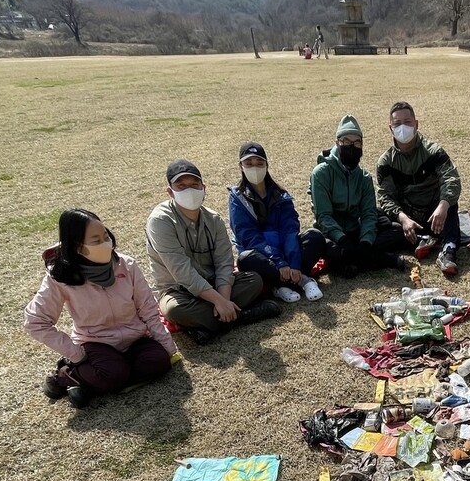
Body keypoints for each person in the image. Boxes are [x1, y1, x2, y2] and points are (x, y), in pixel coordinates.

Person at [25, 208, 176, 407]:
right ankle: (66, 374)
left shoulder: (127, 265)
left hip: (135, 338)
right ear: (77, 246)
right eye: (96, 241)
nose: (106, 244)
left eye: (105, 236)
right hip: (96, 342)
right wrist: (76, 354)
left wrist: (167, 346)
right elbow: (35, 321)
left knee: (159, 362)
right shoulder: (60, 277)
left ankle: (91, 381)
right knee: (114, 375)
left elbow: (147, 307)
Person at [145, 158, 279, 346]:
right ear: (170, 192)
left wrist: (223, 300)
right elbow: (181, 271)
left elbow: (224, 263)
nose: (189, 190)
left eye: (194, 184)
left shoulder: (213, 219)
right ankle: (243, 315)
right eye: (181, 186)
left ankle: (209, 324)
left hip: (213, 284)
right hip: (178, 290)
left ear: (203, 188)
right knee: (173, 310)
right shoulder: (160, 221)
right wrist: (219, 301)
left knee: (254, 280)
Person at [309, 116, 408, 276]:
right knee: (327, 248)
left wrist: (366, 241)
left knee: (396, 231)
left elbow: (368, 214)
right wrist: (341, 239)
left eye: (357, 143)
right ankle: (379, 260)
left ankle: (351, 263)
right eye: (346, 141)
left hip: (355, 230)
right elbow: (323, 216)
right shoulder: (321, 173)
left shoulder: (364, 177)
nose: (352, 146)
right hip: (333, 235)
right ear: (337, 142)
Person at [228, 141, 324, 303]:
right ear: (240, 166)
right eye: (248, 163)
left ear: (267, 165)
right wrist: (278, 262)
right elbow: (248, 236)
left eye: (260, 163)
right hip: (263, 255)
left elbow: (289, 229)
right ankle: (298, 281)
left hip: (285, 250)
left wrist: (292, 263)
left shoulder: (280, 195)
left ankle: (288, 279)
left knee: (315, 237)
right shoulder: (237, 199)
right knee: (245, 259)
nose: (255, 168)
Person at [376, 101, 463, 277]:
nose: (403, 127)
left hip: (435, 214)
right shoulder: (385, 162)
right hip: (409, 216)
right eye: (397, 124)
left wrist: (443, 205)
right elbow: (385, 196)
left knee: (451, 204)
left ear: (416, 124)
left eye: (407, 122)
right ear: (390, 128)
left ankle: (448, 251)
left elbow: (451, 179)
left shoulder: (434, 151)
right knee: (377, 215)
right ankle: (422, 240)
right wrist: (402, 218)